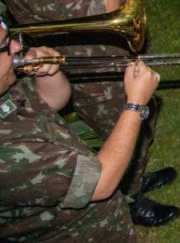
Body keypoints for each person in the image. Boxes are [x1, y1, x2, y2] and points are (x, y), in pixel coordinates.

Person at [0, 0, 179, 227]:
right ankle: (130, 199)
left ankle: (135, 176)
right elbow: (104, 8)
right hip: (86, 66)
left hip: (107, 50)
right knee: (123, 122)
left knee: (145, 114)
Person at [0, 16, 162, 240]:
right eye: (4, 46)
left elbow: (51, 101)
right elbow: (101, 183)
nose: (17, 46)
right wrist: (135, 104)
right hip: (77, 233)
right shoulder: (5, 155)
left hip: (101, 217)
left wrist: (49, 72)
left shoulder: (3, 85)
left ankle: (134, 190)